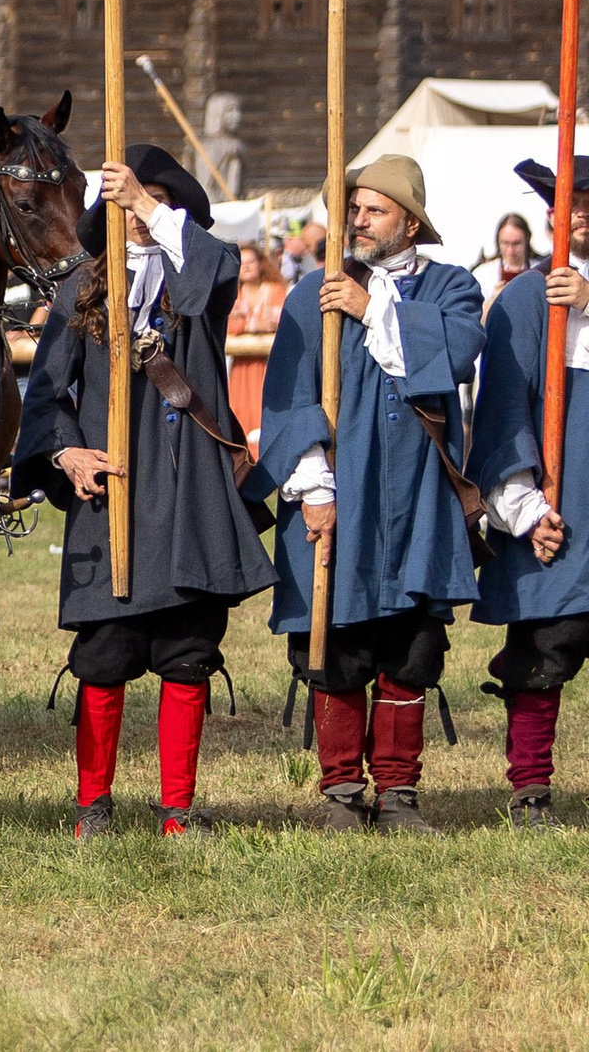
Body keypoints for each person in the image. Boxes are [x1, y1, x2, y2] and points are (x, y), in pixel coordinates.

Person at [14, 147, 277, 838]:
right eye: (125, 202)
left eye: (151, 200)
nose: (134, 215)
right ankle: (92, 804)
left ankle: (177, 809)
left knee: (187, 650)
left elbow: (220, 267)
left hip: (187, 490)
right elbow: (45, 396)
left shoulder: (195, 283)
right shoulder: (80, 292)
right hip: (114, 496)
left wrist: (148, 202)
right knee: (105, 653)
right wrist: (66, 451)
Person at [260, 154, 482, 832]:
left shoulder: (450, 287)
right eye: (351, 207)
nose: (357, 219)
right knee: (336, 643)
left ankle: (397, 794)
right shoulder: (313, 294)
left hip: (418, 496)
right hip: (341, 493)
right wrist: (314, 488)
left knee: (409, 646)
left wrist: (374, 305)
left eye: (374, 209)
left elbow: (461, 347)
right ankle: (338, 793)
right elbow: (290, 396)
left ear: (408, 223)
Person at [466, 158, 589, 826]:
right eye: (573, 202)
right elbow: (504, 416)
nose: (580, 215)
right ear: (551, 214)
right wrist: (526, 509)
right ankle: (531, 789)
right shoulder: (522, 300)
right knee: (544, 647)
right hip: (560, 509)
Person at [227, 243, 283, 448]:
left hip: (267, 363)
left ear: (260, 264)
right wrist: (253, 324)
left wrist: (245, 323)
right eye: (242, 264)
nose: (247, 267)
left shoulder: (275, 291)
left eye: (251, 262)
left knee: (264, 409)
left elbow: (277, 321)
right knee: (240, 410)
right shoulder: (234, 294)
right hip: (241, 365)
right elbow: (230, 326)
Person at [480, 212, 541, 309]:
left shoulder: (540, 271)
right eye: (505, 243)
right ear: (498, 241)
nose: (511, 250)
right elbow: (474, 319)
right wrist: (493, 300)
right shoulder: (483, 274)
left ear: (527, 239)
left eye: (516, 243)